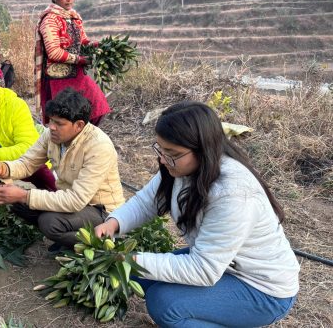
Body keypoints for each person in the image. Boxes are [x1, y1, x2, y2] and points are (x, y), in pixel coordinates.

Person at [95, 101, 300, 327]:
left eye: (171, 153)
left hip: (262, 289)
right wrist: (114, 223)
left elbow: (203, 269)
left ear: (202, 148)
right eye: (160, 149)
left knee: (164, 302)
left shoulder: (233, 194)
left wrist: (131, 259)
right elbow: (147, 202)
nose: (162, 159)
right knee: (136, 275)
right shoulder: (181, 167)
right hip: (224, 265)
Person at [0, 88, 125, 252]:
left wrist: (25, 195)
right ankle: (69, 236)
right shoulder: (51, 136)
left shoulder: (99, 146)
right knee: (15, 202)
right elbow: (27, 163)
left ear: (79, 125)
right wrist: (3, 168)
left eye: (59, 123)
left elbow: (76, 200)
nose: (51, 127)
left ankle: (101, 242)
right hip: (72, 201)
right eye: (51, 120)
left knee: (49, 222)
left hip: (100, 210)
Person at [35, 0, 111, 126]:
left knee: (98, 106)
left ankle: (82, 139)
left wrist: (99, 46)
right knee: (65, 117)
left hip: (77, 74)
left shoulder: (74, 17)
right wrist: (80, 60)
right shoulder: (50, 19)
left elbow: (82, 41)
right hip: (59, 78)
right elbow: (54, 52)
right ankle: (68, 144)